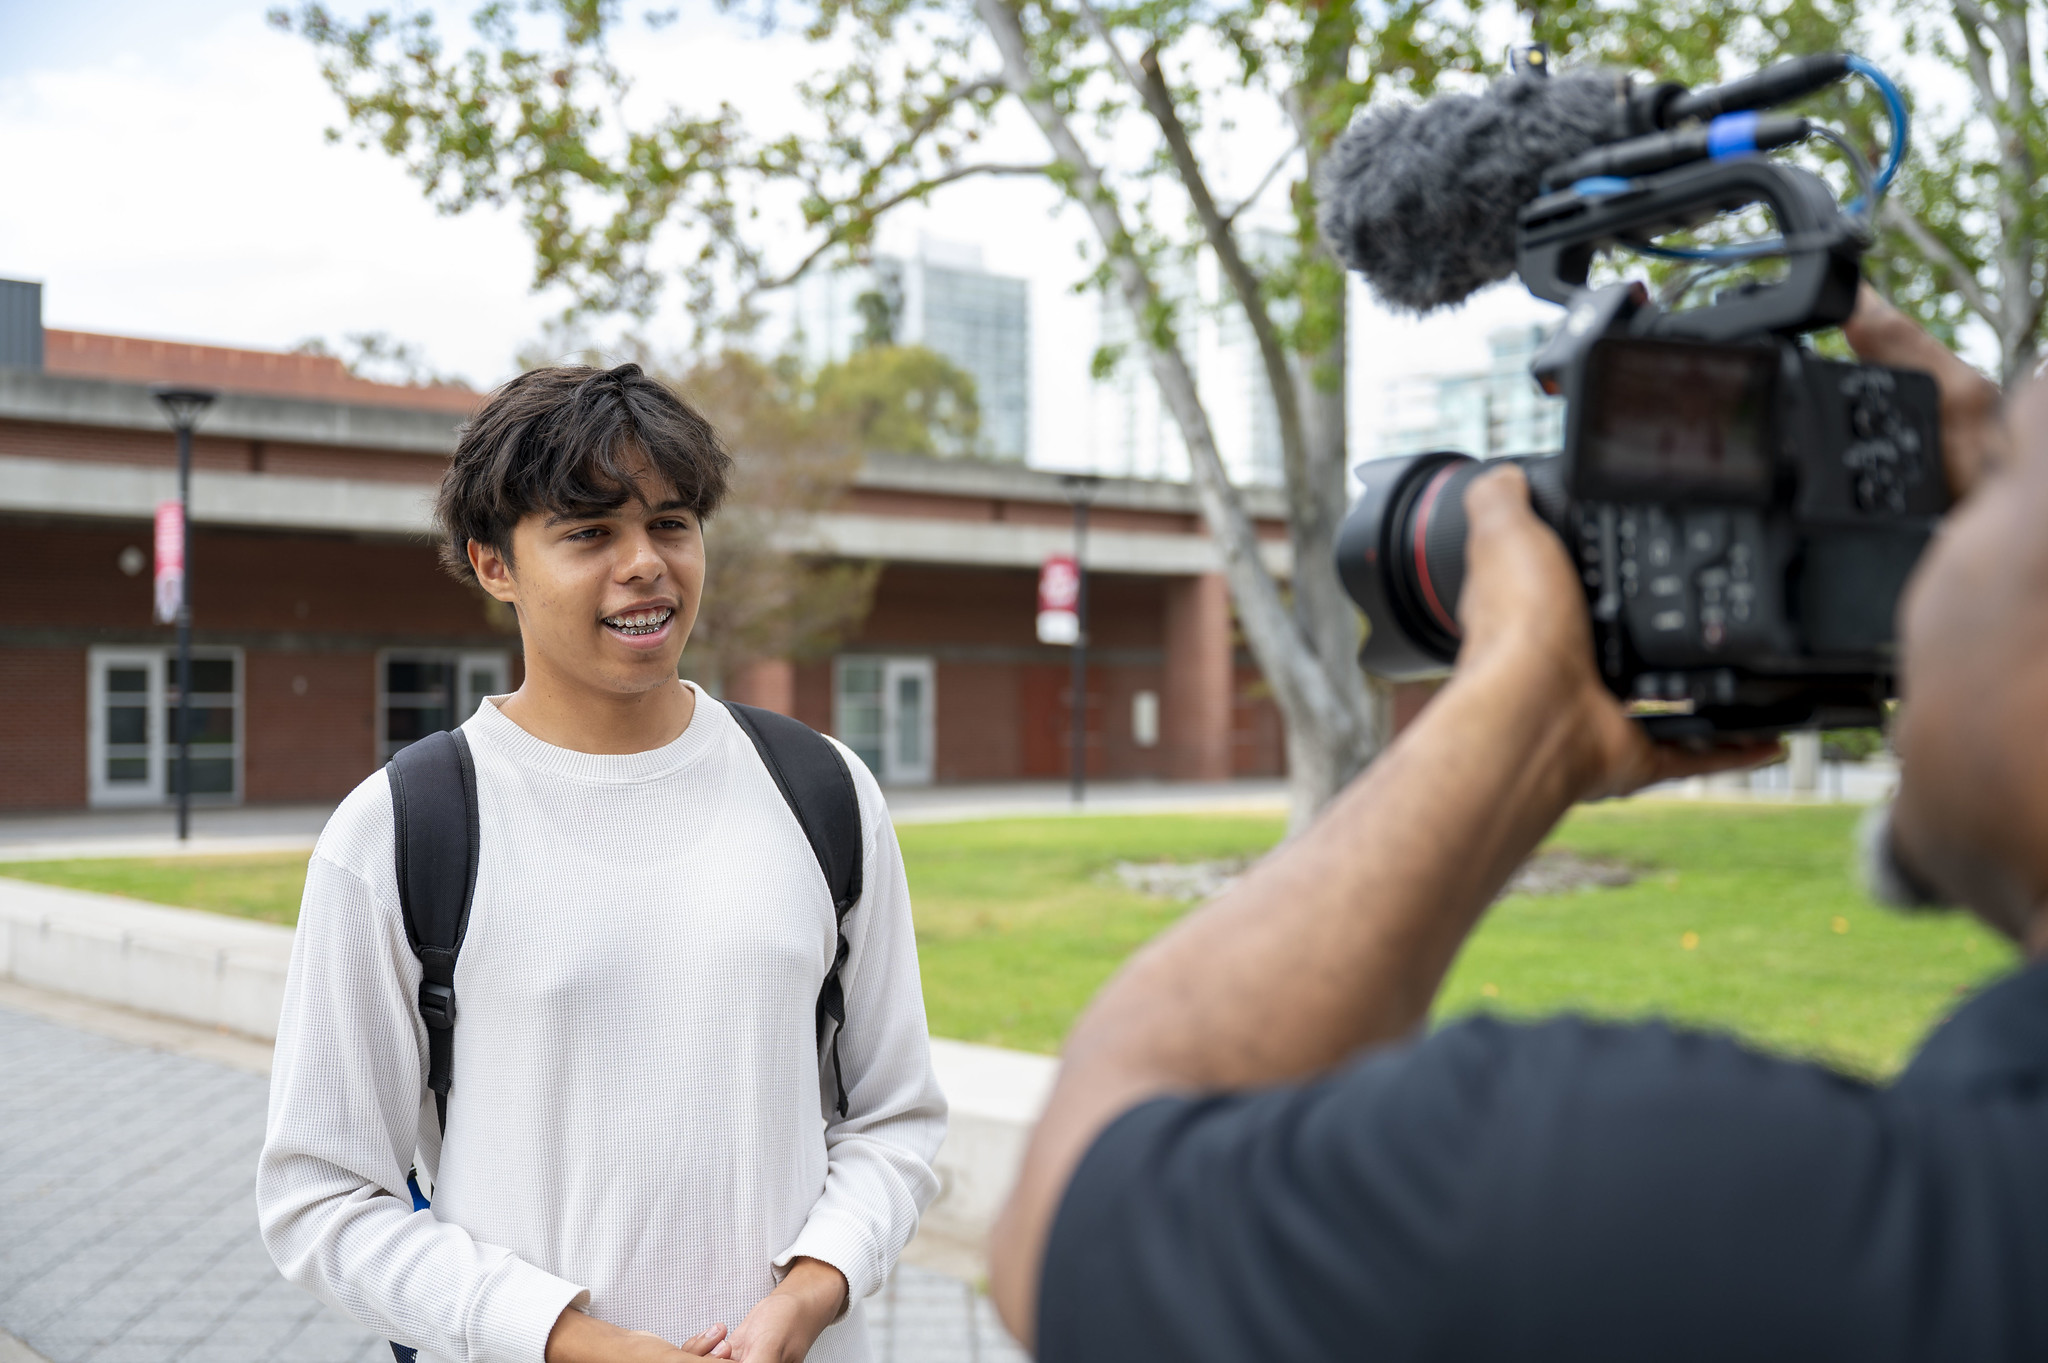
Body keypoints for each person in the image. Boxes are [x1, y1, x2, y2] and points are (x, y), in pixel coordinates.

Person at [988, 289, 2045, 1361]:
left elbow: (1068, 1202)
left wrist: (1520, 710)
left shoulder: (1620, 1193)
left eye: (1998, 479)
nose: (1925, 550)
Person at [258, 365, 946, 1363]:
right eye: (588, 533)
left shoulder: (822, 791)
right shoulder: (401, 827)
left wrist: (813, 1287)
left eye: (670, 524)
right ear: (493, 563)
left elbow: (894, 1116)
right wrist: (569, 1338)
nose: (645, 564)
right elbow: (320, 1197)